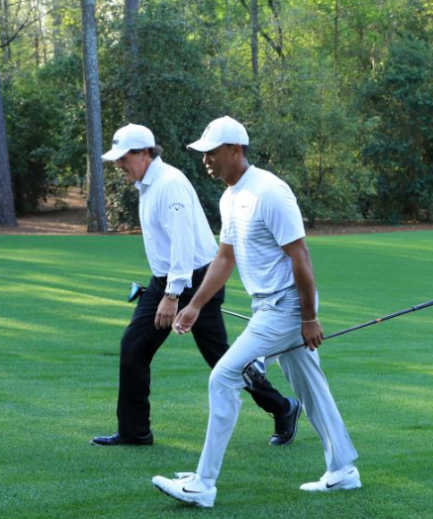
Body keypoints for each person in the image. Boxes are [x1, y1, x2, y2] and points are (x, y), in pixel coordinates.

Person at [152, 117, 360, 508]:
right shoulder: (229, 197)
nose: (206, 161)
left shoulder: (269, 192)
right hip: (266, 306)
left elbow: (301, 258)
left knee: (224, 377)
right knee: (311, 389)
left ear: (235, 150)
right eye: (203, 154)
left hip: (285, 308)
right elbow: (225, 258)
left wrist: (309, 317)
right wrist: (194, 305)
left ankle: (203, 484)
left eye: (212, 153)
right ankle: (343, 469)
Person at [91, 123, 301, 448]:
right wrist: (167, 288)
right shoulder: (148, 184)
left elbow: (183, 242)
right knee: (133, 348)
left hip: (195, 279)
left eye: (123, 158)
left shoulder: (169, 184)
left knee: (221, 360)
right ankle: (135, 432)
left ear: (145, 154)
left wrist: (173, 295)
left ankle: (283, 407)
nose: (118, 165)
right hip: (167, 281)